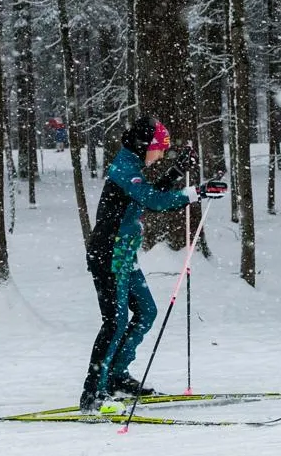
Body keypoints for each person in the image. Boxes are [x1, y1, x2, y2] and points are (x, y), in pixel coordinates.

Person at [80, 116, 225, 413]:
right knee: (115, 321)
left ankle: (117, 377)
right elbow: (154, 201)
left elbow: (145, 198)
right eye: (158, 148)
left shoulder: (132, 166)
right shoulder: (124, 168)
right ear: (143, 144)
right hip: (109, 254)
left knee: (146, 311)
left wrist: (176, 171)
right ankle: (92, 393)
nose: (160, 154)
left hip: (124, 254)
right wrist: (195, 193)